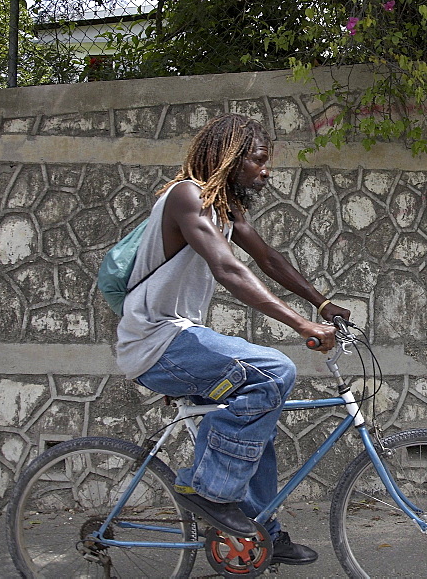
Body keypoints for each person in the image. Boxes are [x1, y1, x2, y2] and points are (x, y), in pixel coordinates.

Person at [115, 113, 349, 565]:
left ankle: (260, 535)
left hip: (178, 342)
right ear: (230, 157)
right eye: (259, 160)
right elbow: (229, 269)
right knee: (275, 371)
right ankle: (209, 492)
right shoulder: (186, 197)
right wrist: (302, 325)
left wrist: (322, 304)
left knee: (256, 422)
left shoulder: (222, 207)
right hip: (156, 341)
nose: (267, 171)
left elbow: (268, 259)